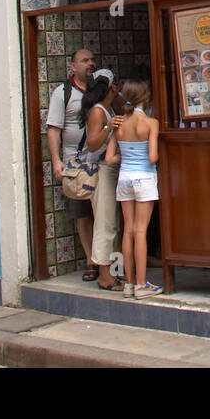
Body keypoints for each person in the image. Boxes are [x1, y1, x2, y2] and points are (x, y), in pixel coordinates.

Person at [45, 49, 99, 281]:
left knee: (104, 213)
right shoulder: (62, 93)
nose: (90, 64)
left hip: (100, 162)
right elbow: (53, 129)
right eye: (85, 61)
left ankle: (104, 259)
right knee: (82, 215)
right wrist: (56, 161)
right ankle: (90, 260)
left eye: (92, 60)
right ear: (73, 67)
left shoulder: (100, 89)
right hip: (75, 166)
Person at [105, 79, 163, 298]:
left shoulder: (118, 124)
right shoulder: (151, 123)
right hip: (144, 179)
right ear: (145, 98)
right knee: (141, 231)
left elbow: (109, 158)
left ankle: (129, 284)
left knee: (127, 230)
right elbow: (152, 156)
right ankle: (142, 285)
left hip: (124, 179)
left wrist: (125, 155)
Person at [80, 68, 126, 291]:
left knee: (113, 222)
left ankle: (115, 271)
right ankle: (104, 276)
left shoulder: (109, 108)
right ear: (113, 87)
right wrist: (110, 126)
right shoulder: (98, 112)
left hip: (110, 170)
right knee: (105, 222)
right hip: (100, 171)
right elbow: (92, 144)